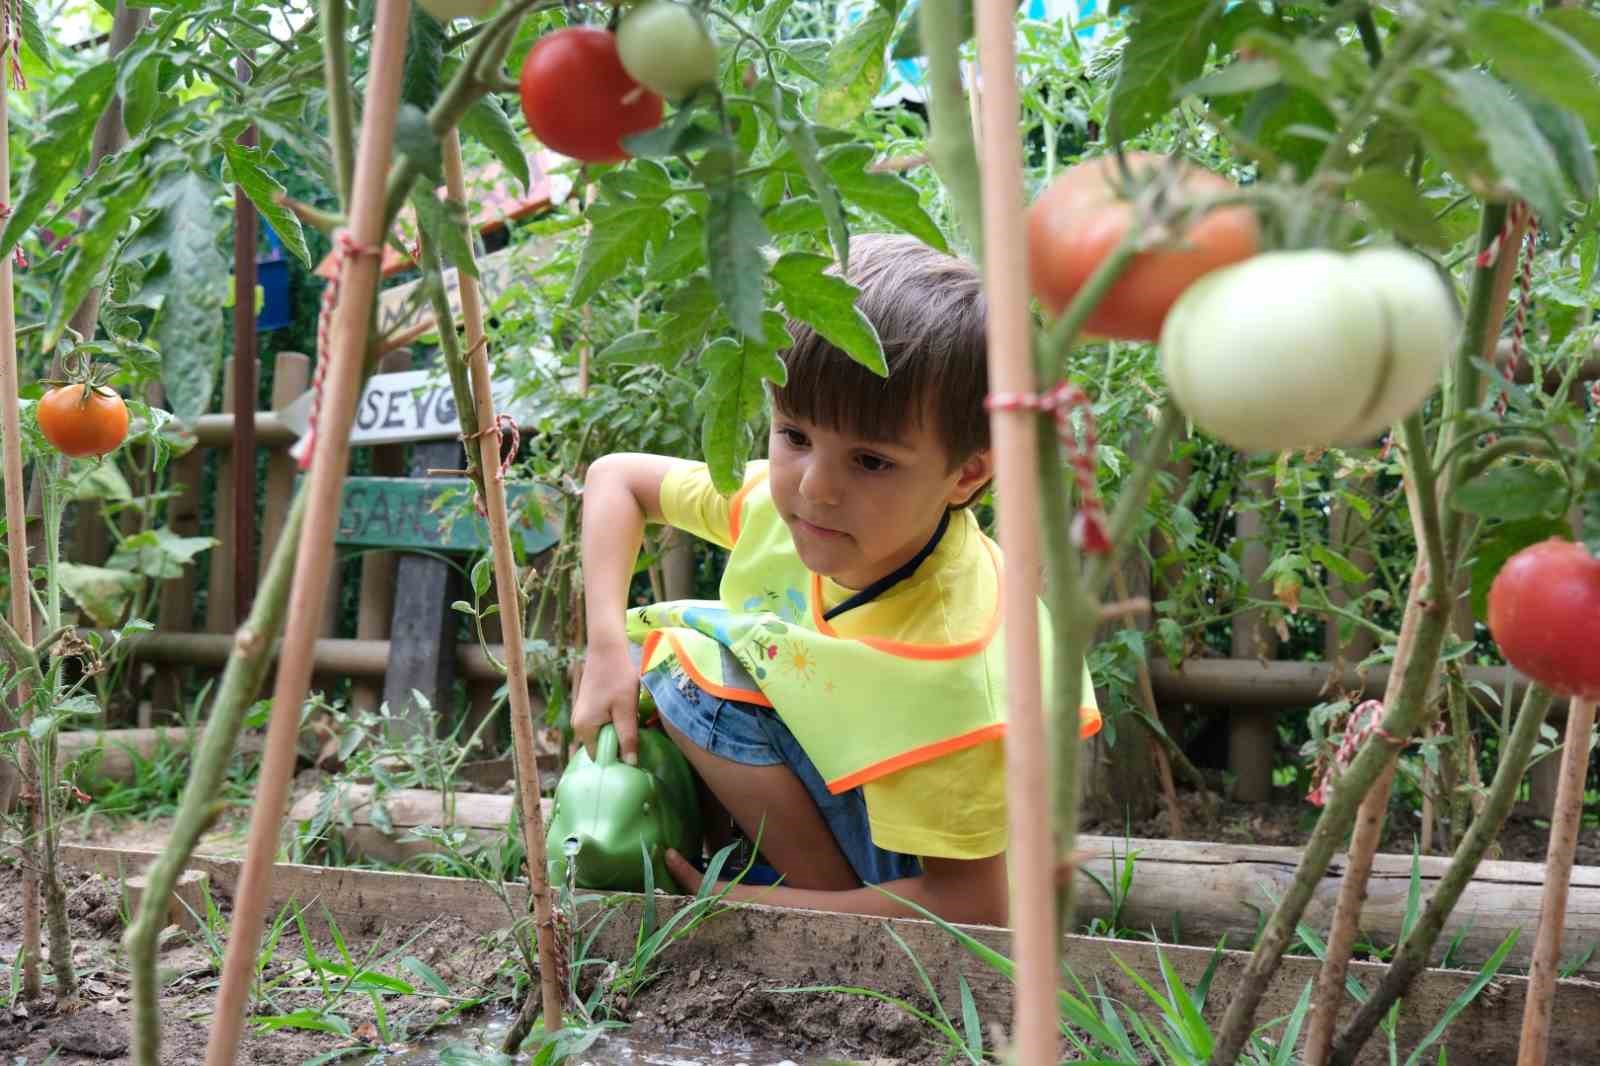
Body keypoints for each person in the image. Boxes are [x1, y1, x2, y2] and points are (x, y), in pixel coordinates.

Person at [571, 233, 1100, 926]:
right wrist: (605, 646)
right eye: (794, 434)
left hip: (950, 864)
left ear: (967, 473)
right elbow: (615, 480)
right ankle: (805, 889)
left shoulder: (960, 665)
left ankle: (818, 915)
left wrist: (743, 905)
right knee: (669, 656)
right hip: (881, 800)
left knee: (692, 667)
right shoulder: (786, 505)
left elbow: (976, 910)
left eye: (871, 462)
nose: (815, 489)